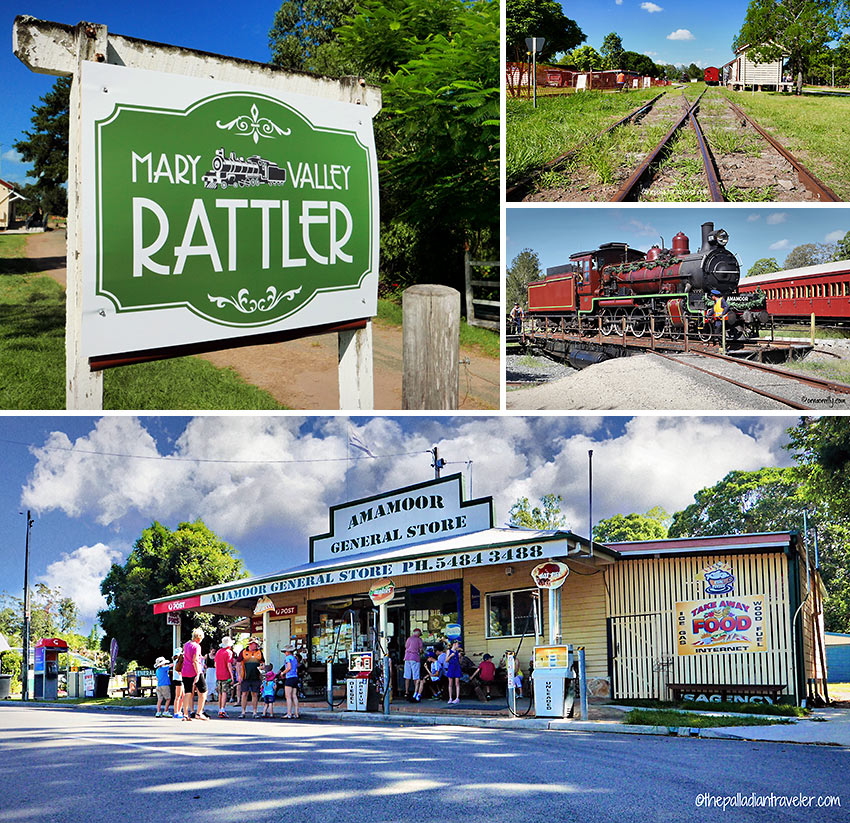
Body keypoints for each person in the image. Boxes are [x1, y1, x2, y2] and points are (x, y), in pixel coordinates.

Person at [180, 628, 205, 722]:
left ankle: (185, 714)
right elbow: (195, 660)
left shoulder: (186, 644)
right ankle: (199, 713)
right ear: (199, 637)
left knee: (187, 692)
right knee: (203, 691)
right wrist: (198, 673)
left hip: (185, 671)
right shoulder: (197, 646)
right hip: (194, 671)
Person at [238, 638, 264, 718]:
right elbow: (238, 664)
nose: (255, 645)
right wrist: (239, 675)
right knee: (244, 694)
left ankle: (255, 712)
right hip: (245, 676)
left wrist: (262, 668)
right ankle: (243, 712)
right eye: (254, 644)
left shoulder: (259, 652)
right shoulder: (243, 652)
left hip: (256, 677)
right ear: (250, 644)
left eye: (256, 644)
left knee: (255, 694)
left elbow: (262, 663)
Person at [214, 637, 235, 718]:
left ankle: (220, 709)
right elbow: (229, 665)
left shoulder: (218, 652)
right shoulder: (229, 652)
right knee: (225, 692)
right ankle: (222, 709)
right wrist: (232, 676)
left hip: (218, 674)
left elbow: (215, 664)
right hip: (226, 675)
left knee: (220, 692)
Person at [403, 628, 424, 701]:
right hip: (415, 658)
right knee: (416, 676)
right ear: (418, 633)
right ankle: (416, 692)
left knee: (407, 676)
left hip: (407, 657)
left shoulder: (409, 639)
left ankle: (406, 692)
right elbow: (421, 650)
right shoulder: (419, 640)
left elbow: (406, 646)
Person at [281, 645, 300, 719]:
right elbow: (296, 669)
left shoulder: (288, 658)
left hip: (289, 677)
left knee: (288, 696)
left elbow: (289, 668)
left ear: (288, 652)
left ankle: (289, 713)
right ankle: (296, 713)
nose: (285, 653)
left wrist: (283, 673)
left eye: (285, 652)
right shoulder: (295, 658)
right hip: (295, 677)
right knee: (294, 696)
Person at [445, 640, 463, 705]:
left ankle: (457, 698)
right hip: (451, 667)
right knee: (450, 683)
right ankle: (450, 698)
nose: (458, 645)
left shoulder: (457, 652)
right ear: (454, 644)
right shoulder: (449, 651)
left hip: (457, 667)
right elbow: (446, 660)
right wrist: (450, 656)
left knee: (457, 683)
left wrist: (460, 657)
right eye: (458, 644)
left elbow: (460, 662)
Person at [171, 647, 185, 719]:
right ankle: (176, 712)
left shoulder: (176, 661)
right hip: (178, 679)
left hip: (179, 679)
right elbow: (179, 671)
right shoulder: (178, 661)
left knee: (183, 695)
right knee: (178, 696)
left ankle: (179, 711)